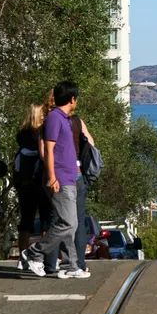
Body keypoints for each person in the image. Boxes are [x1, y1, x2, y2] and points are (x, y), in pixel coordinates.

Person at [22, 81, 90, 279]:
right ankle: (34, 253)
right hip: (60, 178)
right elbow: (48, 150)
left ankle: (70, 265)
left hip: (69, 175)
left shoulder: (64, 118)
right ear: (72, 99)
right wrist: (52, 177)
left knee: (71, 223)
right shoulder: (54, 118)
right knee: (68, 223)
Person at [45, 112, 95, 273]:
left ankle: (49, 263)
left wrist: (51, 175)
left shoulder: (50, 122)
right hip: (79, 172)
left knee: (56, 219)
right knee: (78, 221)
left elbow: (45, 151)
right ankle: (78, 264)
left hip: (60, 175)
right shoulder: (77, 122)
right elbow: (91, 144)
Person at [13, 104, 51, 270]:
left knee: (26, 221)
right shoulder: (42, 135)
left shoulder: (21, 136)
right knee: (45, 221)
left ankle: (22, 257)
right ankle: (42, 256)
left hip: (24, 184)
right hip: (41, 181)